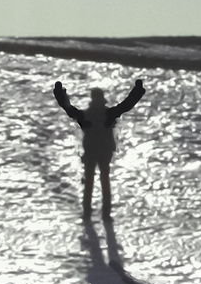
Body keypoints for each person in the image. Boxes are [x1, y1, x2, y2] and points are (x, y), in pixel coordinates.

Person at [53, 78, 145, 218]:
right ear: (102, 98)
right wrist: (138, 90)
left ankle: (88, 213)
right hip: (103, 152)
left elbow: (69, 109)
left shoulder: (87, 115)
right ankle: (104, 214)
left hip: (92, 152)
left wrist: (60, 94)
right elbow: (127, 105)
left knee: (91, 182)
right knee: (103, 181)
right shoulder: (108, 114)